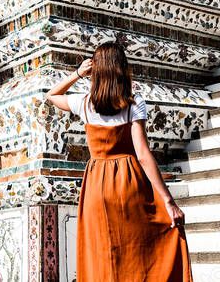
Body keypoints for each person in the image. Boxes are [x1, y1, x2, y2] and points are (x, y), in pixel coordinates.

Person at [46, 42, 193, 282]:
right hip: (128, 181)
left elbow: (51, 95)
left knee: (103, 255)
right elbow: (143, 155)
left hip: (95, 186)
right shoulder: (133, 104)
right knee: (137, 250)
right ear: (122, 69)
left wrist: (78, 73)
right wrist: (169, 201)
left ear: (97, 70)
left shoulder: (84, 103)